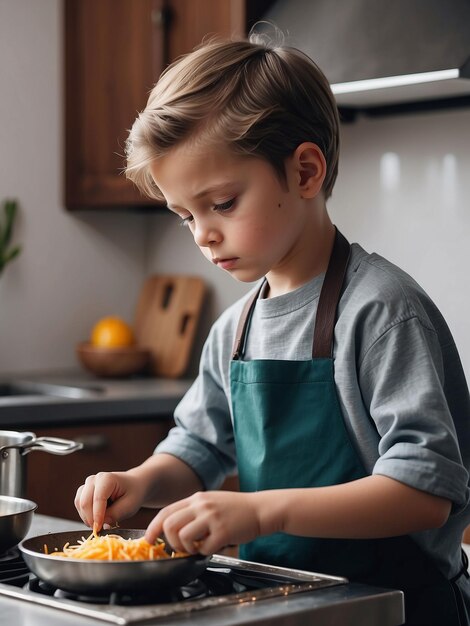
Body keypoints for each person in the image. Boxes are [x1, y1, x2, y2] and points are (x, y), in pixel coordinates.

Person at [75, 36, 470, 625]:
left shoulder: (382, 312)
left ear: (305, 171)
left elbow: (425, 492)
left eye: (223, 203)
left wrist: (261, 513)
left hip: (400, 609)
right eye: (185, 215)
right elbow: (198, 448)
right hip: (283, 605)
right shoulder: (235, 328)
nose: (202, 235)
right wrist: (138, 480)